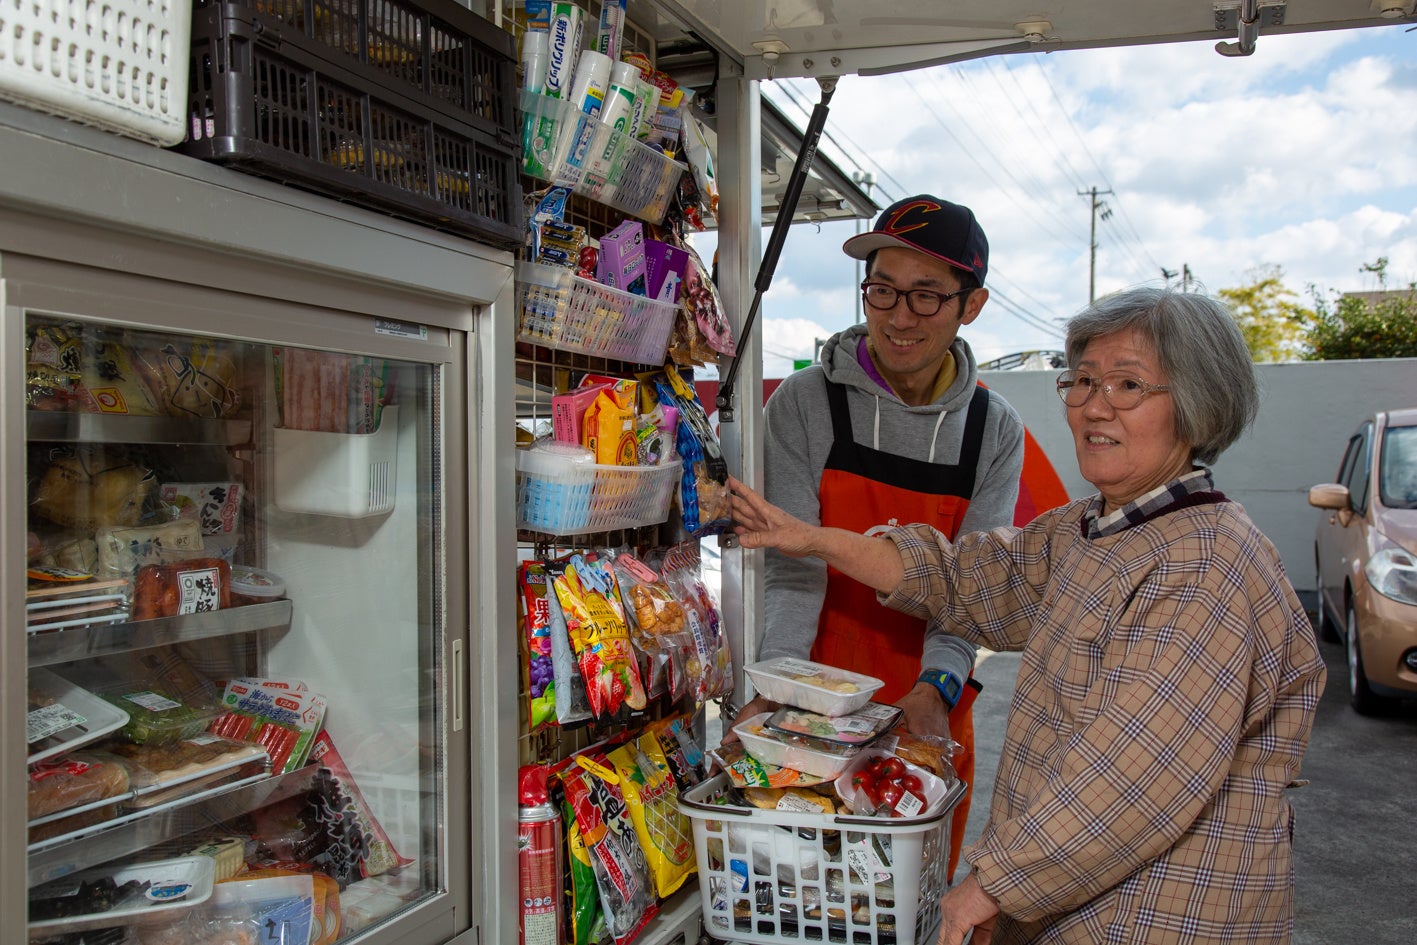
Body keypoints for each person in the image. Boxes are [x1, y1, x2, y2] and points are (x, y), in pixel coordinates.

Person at [728, 286, 1325, 945]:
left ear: (1194, 404)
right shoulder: (1089, 530)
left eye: (1126, 385)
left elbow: (1131, 778)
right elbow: (961, 578)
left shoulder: (1206, 562)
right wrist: (811, 538)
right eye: (1083, 380)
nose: (1094, 406)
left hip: (1157, 916)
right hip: (1070, 906)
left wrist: (991, 887)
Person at [732, 194, 1026, 879]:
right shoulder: (806, 402)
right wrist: (781, 684)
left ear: (969, 305)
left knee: (903, 898)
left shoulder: (992, 429)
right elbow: (792, 567)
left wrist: (938, 686)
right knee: (799, 889)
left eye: (926, 297)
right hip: (812, 691)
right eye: (882, 291)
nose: (898, 316)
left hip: (925, 696)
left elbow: (975, 583)